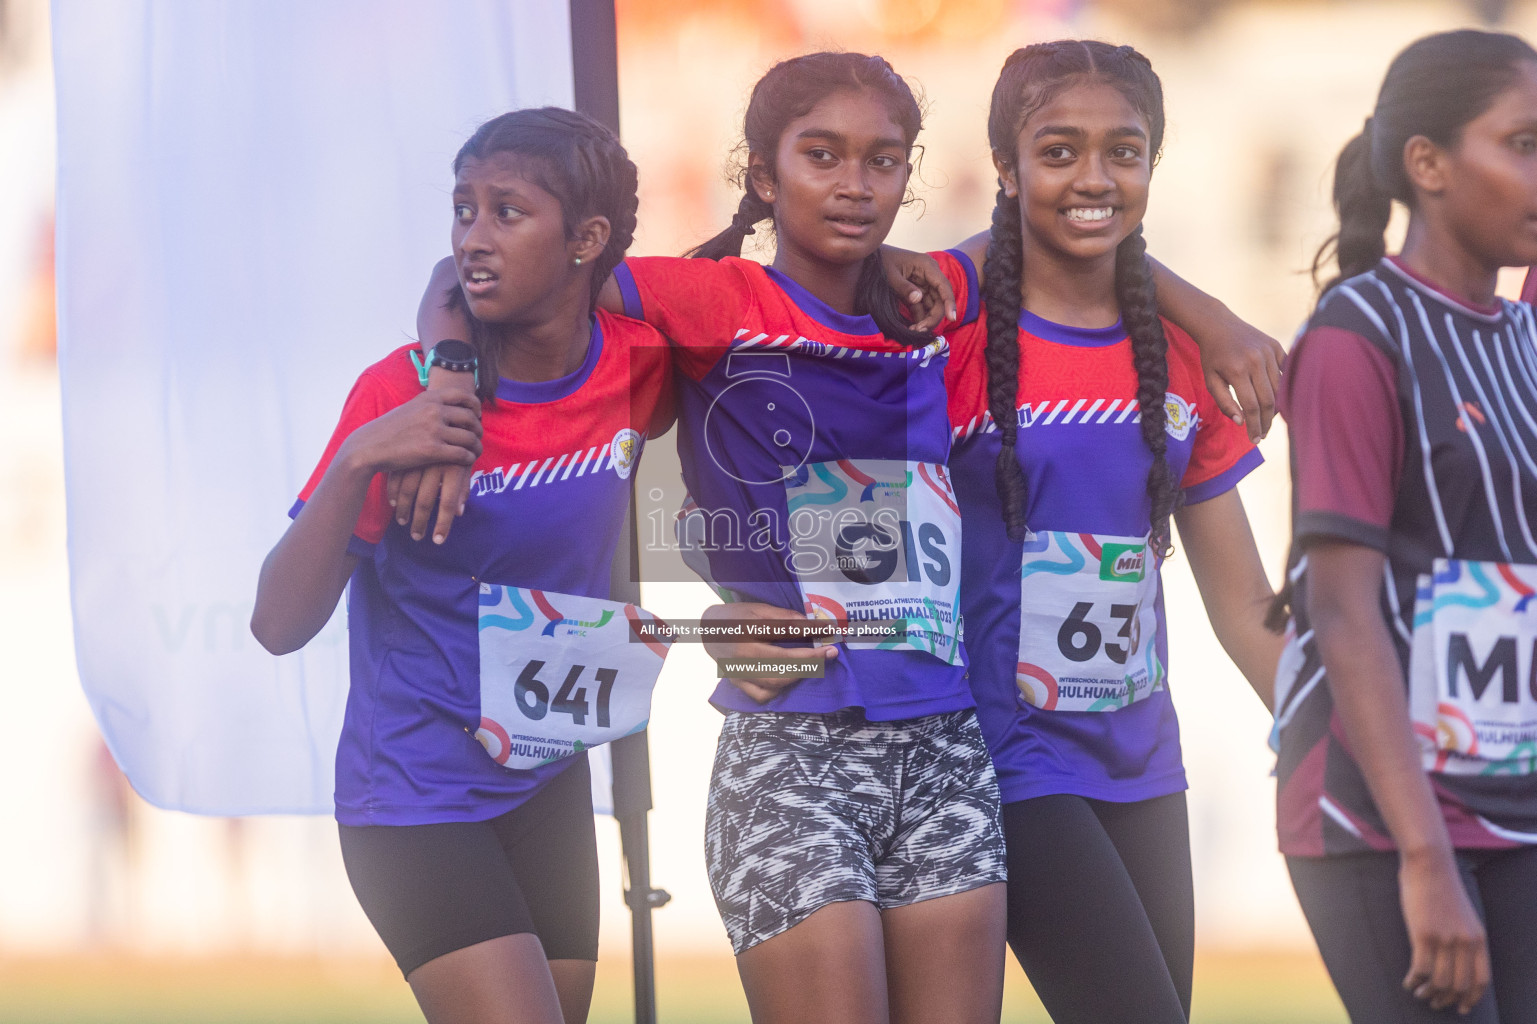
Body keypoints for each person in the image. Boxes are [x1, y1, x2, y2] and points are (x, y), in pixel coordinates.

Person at [250, 107, 673, 1024]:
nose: (473, 238)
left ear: (586, 239)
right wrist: (365, 454)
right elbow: (277, 627)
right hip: (415, 797)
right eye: (462, 209)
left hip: (547, 777)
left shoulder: (640, 365)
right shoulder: (398, 393)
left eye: (507, 213)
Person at [937, 40, 1280, 1024]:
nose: (1093, 177)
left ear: (1150, 165)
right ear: (1004, 167)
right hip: (1001, 756)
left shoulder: (1179, 354)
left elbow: (1246, 603)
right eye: (1057, 151)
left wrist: (1334, 744)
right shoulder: (944, 338)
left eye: (1122, 151)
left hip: (1142, 763)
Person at [1273, 28, 1537, 1022]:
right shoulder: (1355, 334)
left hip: (1510, 803)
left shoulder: (1521, 335)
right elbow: (1340, 612)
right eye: (1522, 143)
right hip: (1381, 822)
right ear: (1425, 164)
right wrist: (1424, 857)